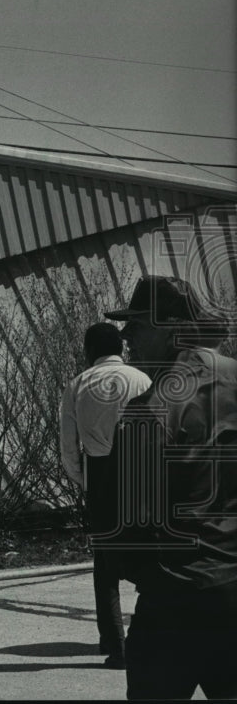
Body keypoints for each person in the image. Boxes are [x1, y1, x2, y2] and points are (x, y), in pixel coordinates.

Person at [100, 275, 237, 700]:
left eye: (137, 326)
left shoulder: (150, 412)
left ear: (169, 326)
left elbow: (129, 529)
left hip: (173, 599)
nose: (125, 338)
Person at [59, 323, 150, 668]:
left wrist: (84, 480)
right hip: (141, 471)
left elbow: (69, 447)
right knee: (149, 552)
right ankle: (151, 634)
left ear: (88, 351)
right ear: (122, 349)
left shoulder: (77, 385)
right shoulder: (142, 380)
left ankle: (116, 644)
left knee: (105, 566)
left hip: (99, 473)